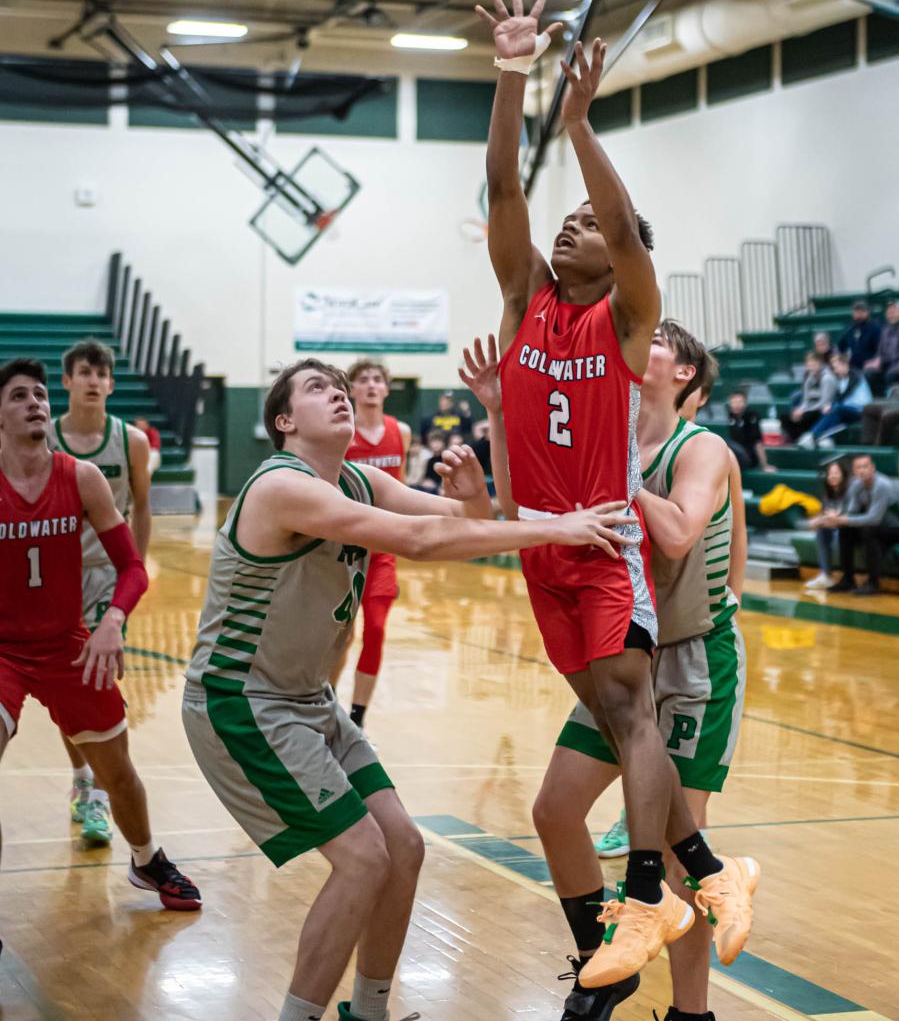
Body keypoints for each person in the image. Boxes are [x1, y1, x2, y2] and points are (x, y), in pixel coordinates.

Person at [181, 356, 635, 1021]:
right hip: (241, 701)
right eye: (318, 388)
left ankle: (368, 1012)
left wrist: (481, 476)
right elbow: (422, 538)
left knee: (405, 847)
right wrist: (555, 527)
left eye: (341, 387)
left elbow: (463, 520)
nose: (337, 394)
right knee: (363, 857)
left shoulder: (361, 478)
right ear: (283, 420)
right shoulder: (283, 486)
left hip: (309, 700)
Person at [476, 0, 755, 1007]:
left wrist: (582, 124)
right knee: (602, 721)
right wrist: (511, 74)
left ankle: (649, 894)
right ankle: (686, 884)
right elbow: (503, 186)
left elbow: (634, 242)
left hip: (603, 550)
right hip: (539, 555)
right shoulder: (521, 301)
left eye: (588, 226)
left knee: (631, 710)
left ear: (619, 252)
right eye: (567, 221)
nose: (567, 230)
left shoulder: (629, 322)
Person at [460, 324, 757, 1021]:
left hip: (690, 660)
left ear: (683, 372)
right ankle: (603, 961)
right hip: (623, 649)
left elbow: (680, 531)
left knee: (677, 857)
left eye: (654, 339)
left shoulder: (701, 446)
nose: (632, 341)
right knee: (555, 808)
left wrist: (617, 472)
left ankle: (691, 1013)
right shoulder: (603, 436)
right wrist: (501, 412)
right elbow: (522, 508)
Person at [0, 357, 201, 911]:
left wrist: (112, 620)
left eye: (38, 394)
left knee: (119, 773)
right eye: (18, 396)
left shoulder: (81, 477)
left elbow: (133, 568)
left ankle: (146, 859)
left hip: (70, 645)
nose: (34, 402)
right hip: (4, 651)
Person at [49, 339, 153, 845]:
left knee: (100, 678)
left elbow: (144, 506)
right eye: (83, 372)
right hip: (56, 577)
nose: (93, 381)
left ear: (112, 384)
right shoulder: (43, 437)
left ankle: (93, 782)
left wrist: (138, 568)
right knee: (76, 683)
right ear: (65, 382)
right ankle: (86, 783)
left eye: (101, 374)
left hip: (109, 574)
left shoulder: (130, 440)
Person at [340, 359, 412, 731]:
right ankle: (323, 707)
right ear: (351, 388)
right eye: (363, 380)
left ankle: (356, 721)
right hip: (342, 548)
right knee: (340, 634)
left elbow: (402, 487)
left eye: (377, 380)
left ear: (386, 389)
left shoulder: (401, 431)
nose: (370, 385)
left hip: (384, 546)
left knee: (378, 630)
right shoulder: (340, 431)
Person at [824, 454, 899, 596]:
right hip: (880, 528)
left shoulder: (882, 485)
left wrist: (842, 519)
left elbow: (874, 519)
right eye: (858, 467)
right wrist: (837, 517)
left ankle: (873, 582)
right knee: (846, 530)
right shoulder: (856, 485)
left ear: (873, 468)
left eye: (865, 466)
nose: (862, 471)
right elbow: (851, 512)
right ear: (854, 471)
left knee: (868, 531)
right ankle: (848, 579)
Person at [805, 459, 851, 590]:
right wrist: (818, 521)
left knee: (839, 537)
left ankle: (845, 577)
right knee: (821, 532)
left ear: (843, 475)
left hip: (850, 529)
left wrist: (835, 518)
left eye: (836, 473)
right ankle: (825, 574)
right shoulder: (827, 495)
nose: (833, 476)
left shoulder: (851, 492)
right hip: (835, 527)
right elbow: (826, 515)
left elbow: (850, 514)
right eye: (830, 474)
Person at [809, 352, 872, 446]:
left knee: (836, 408)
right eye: (834, 368)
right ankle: (823, 438)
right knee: (829, 410)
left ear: (845, 365)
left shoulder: (856, 376)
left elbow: (849, 398)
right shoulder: (841, 379)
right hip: (847, 410)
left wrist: (833, 406)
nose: (835, 371)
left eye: (836, 367)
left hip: (861, 411)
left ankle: (813, 435)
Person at [863, 299, 899, 395]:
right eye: (889, 311)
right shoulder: (885, 330)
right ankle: (877, 403)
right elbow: (880, 352)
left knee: (891, 374)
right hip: (887, 364)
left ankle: (891, 401)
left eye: (894, 311)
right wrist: (876, 361)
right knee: (870, 372)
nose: (891, 314)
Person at [780, 351, 837, 443]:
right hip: (810, 408)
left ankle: (802, 440)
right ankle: (795, 440)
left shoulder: (827, 378)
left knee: (805, 416)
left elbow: (824, 402)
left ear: (819, 363)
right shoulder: (809, 378)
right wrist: (799, 410)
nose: (810, 366)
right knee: (784, 416)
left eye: (813, 364)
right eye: (808, 364)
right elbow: (805, 400)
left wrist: (804, 411)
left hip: (823, 409)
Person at [726, 390, 774, 473]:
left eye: (739, 402)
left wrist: (764, 465)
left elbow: (757, 443)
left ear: (745, 404)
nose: (736, 405)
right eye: (733, 402)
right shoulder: (726, 417)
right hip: (730, 455)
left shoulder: (751, 417)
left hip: (747, 457)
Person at [836, 301, 880, 370]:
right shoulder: (850, 328)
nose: (859, 314)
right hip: (852, 365)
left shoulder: (874, 328)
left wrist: (874, 361)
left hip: (869, 364)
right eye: (856, 311)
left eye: (862, 311)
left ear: (867, 312)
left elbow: (880, 349)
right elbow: (841, 346)